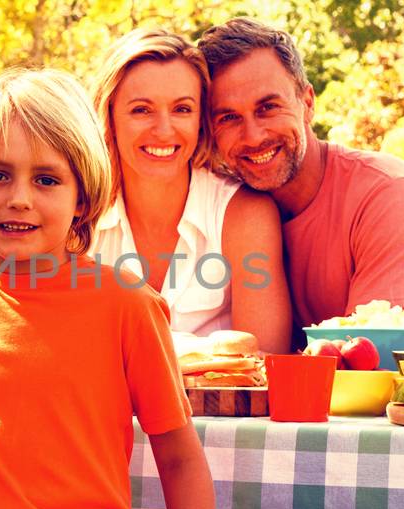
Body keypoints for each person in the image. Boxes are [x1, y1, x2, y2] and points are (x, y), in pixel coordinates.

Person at [0, 69, 215, 509]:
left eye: (47, 180)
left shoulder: (128, 306)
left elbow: (177, 457)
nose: (19, 198)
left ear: (81, 198)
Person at [198, 18, 404, 350]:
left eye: (268, 107)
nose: (254, 135)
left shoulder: (394, 196)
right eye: (229, 118)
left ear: (307, 103)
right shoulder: (232, 214)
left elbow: (377, 363)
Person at [88, 28, 292, 354]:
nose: (164, 130)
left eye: (182, 109)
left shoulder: (242, 215)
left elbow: (265, 363)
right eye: (142, 110)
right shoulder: (79, 217)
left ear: (200, 120)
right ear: (110, 115)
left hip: (215, 406)